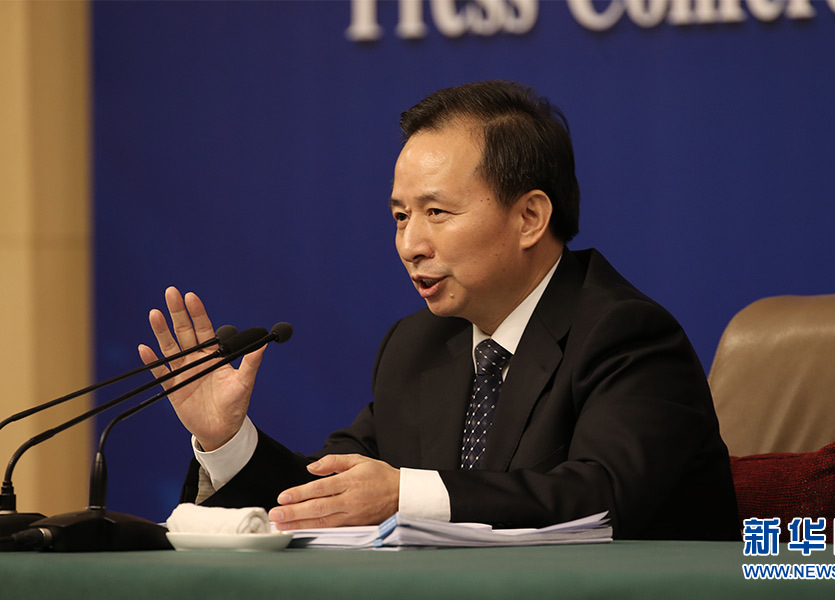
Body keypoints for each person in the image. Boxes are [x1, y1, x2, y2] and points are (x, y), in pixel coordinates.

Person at [140, 80, 738, 540]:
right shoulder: (418, 346)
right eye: (400, 216)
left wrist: (406, 496)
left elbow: (603, 499)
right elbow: (331, 496)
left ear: (530, 217)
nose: (410, 245)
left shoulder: (625, 334)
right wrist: (226, 441)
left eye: (436, 213)